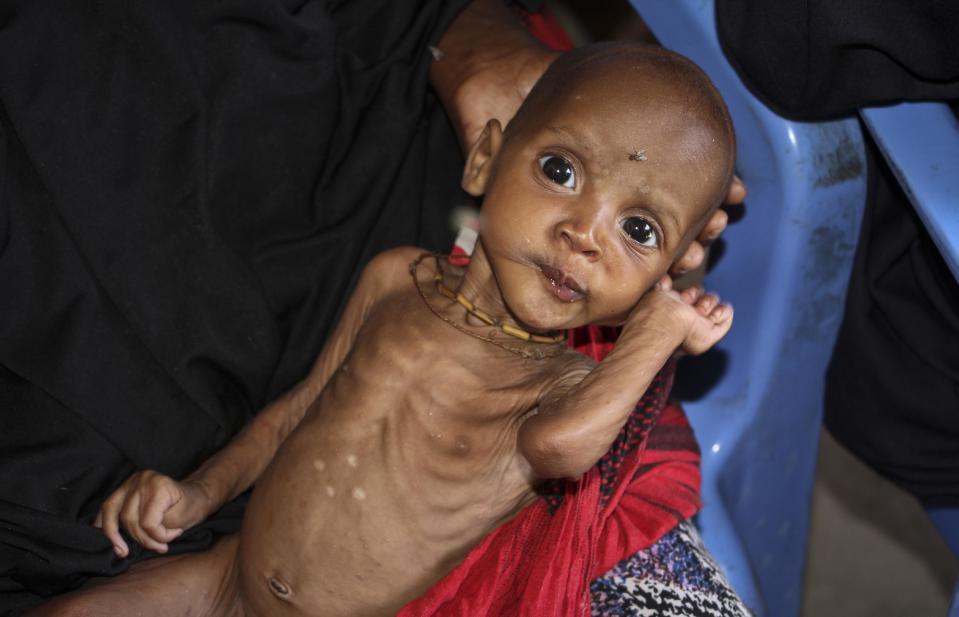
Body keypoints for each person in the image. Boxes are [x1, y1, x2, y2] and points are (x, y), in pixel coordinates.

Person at [26, 41, 738, 616]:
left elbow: (558, 451)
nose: (584, 233)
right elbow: (295, 412)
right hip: (221, 579)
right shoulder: (397, 279)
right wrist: (197, 496)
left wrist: (656, 332)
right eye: (560, 170)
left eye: (637, 229)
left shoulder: (560, 385)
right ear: (485, 157)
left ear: (659, 279)